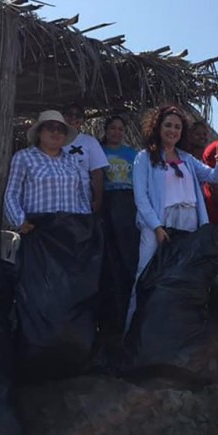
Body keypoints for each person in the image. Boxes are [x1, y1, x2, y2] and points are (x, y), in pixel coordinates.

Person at [127, 104, 218, 329]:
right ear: (158, 127)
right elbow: (140, 197)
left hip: (189, 221)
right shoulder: (144, 157)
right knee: (145, 274)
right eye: (168, 125)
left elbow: (213, 177)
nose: (172, 130)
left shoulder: (187, 159)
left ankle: (179, 330)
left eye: (177, 127)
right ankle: (135, 330)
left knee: (185, 275)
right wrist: (156, 227)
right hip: (159, 223)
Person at [3, 110, 89, 233]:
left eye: (61, 129)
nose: (56, 132)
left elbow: (81, 195)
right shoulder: (23, 157)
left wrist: (85, 222)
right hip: (38, 231)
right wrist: (21, 222)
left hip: (71, 231)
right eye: (50, 127)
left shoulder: (72, 160)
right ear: (39, 132)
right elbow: (12, 194)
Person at [99, 115, 140, 345]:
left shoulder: (132, 154)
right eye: (112, 128)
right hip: (107, 205)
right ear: (106, 130)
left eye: (120, 128)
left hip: (128, 206)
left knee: (128, 260)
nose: (116, 132)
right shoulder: (98, 151)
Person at [62, 102, 109, 214]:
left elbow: (97, 173)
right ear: (63, 116)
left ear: (82, 120)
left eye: (78, 115)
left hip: (81, 203)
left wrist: (98, 200)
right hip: (56, 201)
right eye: (69, 114)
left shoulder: (89, 142)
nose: (73, 118)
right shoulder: (54, 140)